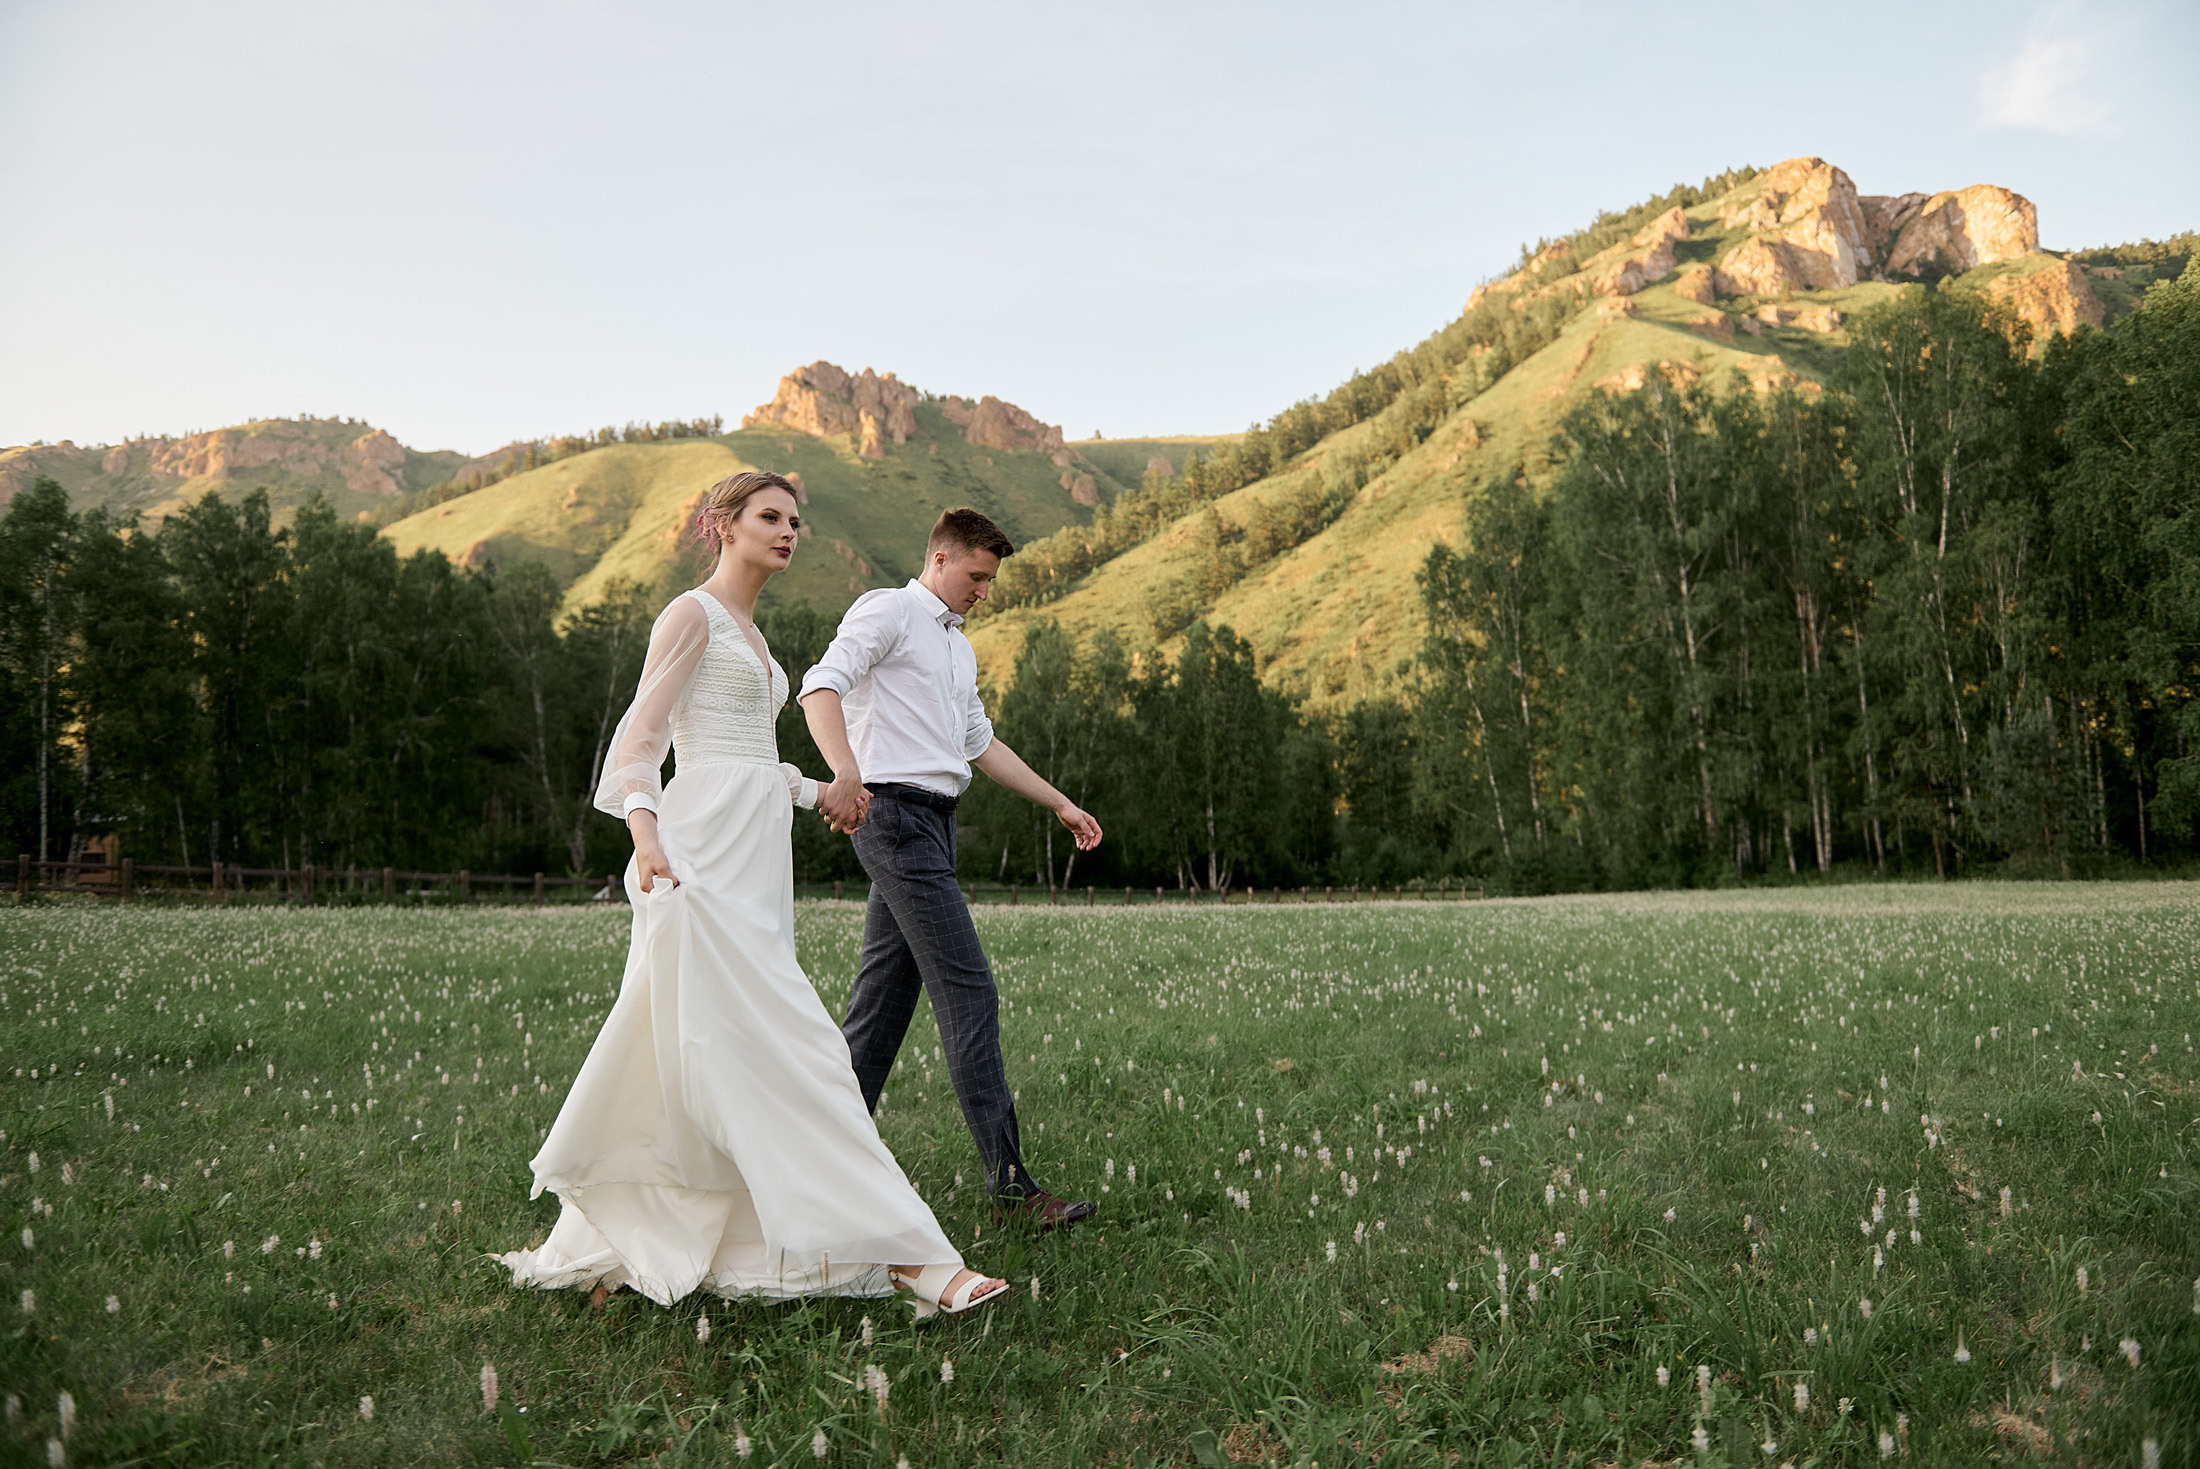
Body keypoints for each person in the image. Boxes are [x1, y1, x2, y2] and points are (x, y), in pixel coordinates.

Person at [497, 471, 1006, 1319]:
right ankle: (916, 1258)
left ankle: (638, 1236)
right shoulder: (689, 615)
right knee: (798, 1049)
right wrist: (647, 835)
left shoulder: (757, 639)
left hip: (756, 859)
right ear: (721, 524)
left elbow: (750, 761)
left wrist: (824, 792)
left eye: (795, 520)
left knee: (711, 1052)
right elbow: (639, 744)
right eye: (770, 516)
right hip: (696, 857)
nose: (788, 531)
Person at [799, 507, 1102, 1230]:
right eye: (977, 576)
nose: (984, 592)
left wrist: (1060, 802)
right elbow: (820, 686)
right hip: (893, 817)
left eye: (991, 581)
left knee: (879, 1010)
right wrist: (845, 772)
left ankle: (814, 1170)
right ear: (940, 557)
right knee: (970, 992)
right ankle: (1012, 1191)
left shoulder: (956, 648)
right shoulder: (889, 610)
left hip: (935, 824)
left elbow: (981, 744)